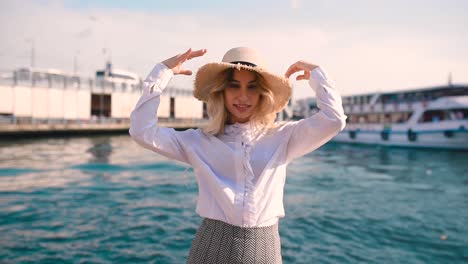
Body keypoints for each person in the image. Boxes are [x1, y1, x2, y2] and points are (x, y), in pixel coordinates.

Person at [129, 47, 347, 264]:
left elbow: (334, 120)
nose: (243, 96)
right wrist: (162, 72)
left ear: (263, 93)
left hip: (265, 251)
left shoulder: (283, 137)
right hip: (210, 250)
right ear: (221, 91)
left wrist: (317, 74)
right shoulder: (198, 141)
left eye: (252, 87)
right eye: (234, 85)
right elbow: (142, 132)